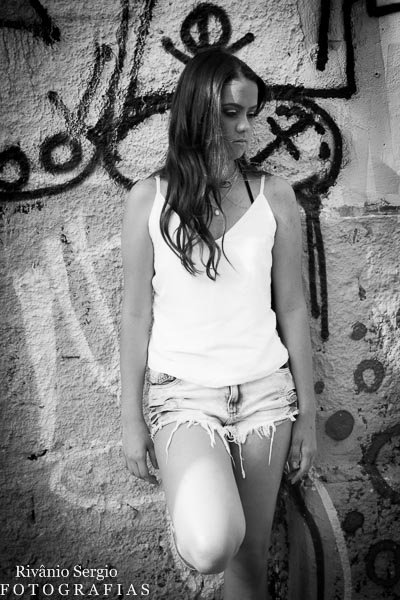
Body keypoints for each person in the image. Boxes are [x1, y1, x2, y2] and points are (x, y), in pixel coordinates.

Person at [120, 47, 317, 600]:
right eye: (231, 113)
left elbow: (292, 307)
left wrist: (308, 413)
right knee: (211, 545)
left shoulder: (274, 196)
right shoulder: (148, 199)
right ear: (197, 110)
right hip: (184, 398)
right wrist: (131, 418)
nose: (246, 127)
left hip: (266, 397)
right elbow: (135, 314)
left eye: (250, 113)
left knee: (251, 560)